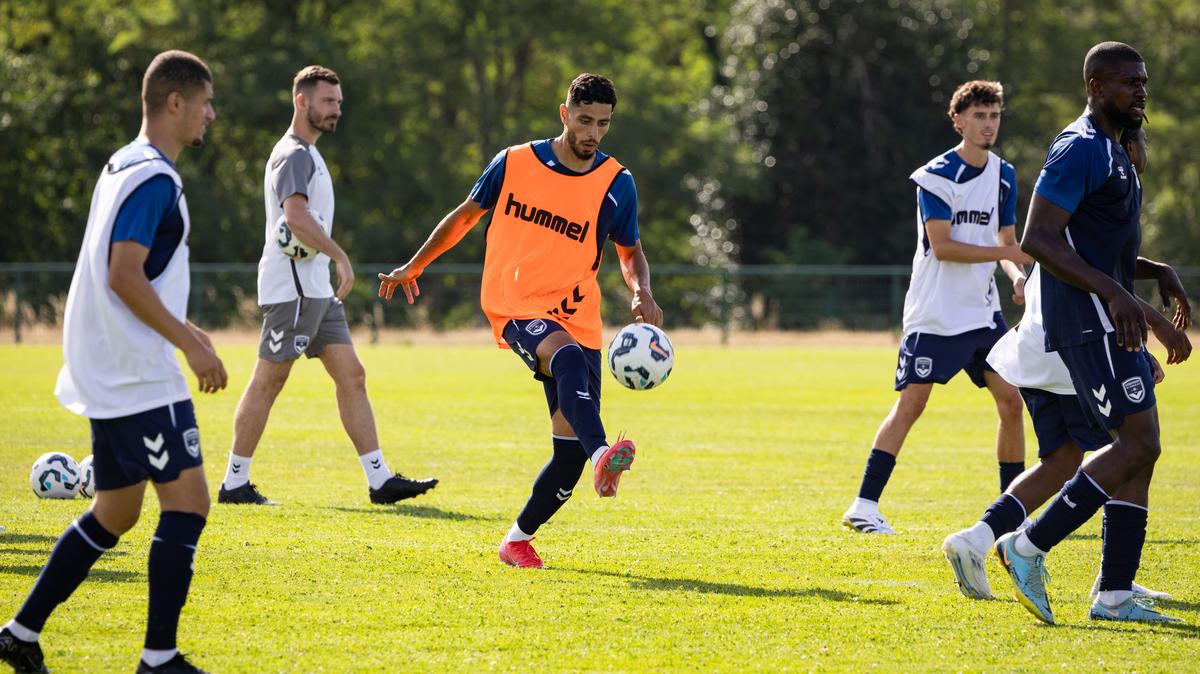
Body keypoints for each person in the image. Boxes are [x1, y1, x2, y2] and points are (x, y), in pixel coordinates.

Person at [378, 73, 663, 568]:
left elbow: (630, 251)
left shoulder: (617, 183)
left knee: (567, 456)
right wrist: (415, 264)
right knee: (565, 357)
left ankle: (516, 540)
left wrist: (642, 291)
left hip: (579, 314)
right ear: (564, 113)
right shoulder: (513, 162)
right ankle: (604, 456)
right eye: (584, 120)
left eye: (603, 123)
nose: (593, 132)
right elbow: (465, 216)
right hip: (515, 304)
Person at [0, 50, 223, 674]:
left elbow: (129, 273)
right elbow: (123, 275)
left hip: (109, 363)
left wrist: (186, 328)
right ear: (174, 102)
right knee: (188, 505)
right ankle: (159, 659)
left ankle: (19, 634)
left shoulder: (124, 162)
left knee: (117, 511)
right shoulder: (155, 179)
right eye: (205, 102)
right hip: (135, 372)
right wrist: (188, 343)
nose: (211, 114)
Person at [995, 41, 1192, 624]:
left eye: (1144, 81)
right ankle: (1026, 545)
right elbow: (1038, 238)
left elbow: (1098, 245)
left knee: (1140, 451)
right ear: (1096, 87)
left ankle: (1114, 593)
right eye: (1129, 82)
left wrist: (1155, 272)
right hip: (1087, 320)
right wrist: (1114, 294)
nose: (1141, 91)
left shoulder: (1115, 150)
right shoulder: (1079, 147)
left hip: (1110, 316)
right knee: (1137, 444)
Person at [218, 65, 437, 506]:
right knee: (269, 380)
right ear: (302, 101)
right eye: (328, 101)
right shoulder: (293, 154)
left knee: (352, 375)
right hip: (294, 292)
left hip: (316, 290)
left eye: (338, 102)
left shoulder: (310, 153)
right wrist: (339, 255)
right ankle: (234, 483)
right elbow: (294, 217)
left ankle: (380, 480)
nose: (337, 109)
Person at [842, 81, 1032, 534]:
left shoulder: (1004, 175)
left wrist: (1017, 274)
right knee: (913, 404)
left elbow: (1005, 242)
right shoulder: (936, 176)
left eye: (994, 115)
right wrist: (1010, 254)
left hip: (983, 314)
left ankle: (1012, 513)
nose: (989, 124)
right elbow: (944, 247)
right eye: (980, 116)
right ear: (958, 121)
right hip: (936, 315)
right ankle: (864, 505)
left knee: (1011, 401)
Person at [941, 258, 1189, 601]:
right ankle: (1112, 580)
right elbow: (1095, 275)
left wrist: (1157, 271)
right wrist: (1152, 333)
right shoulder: (1062, 226)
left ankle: (975, 539)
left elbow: (1092, 263)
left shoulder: (1056, 230)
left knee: (1060, 462)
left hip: (1034, 345)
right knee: (1131, 450)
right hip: (1073, 348)